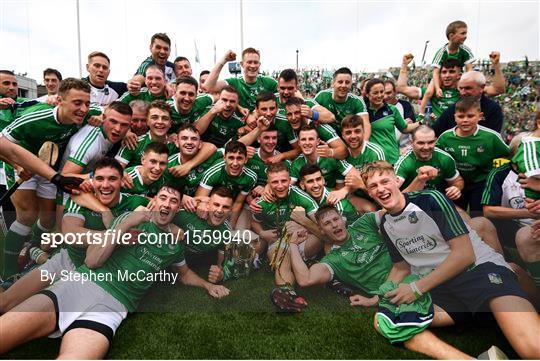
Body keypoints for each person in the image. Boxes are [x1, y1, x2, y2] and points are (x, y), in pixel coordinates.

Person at [0, 184, 229, 359]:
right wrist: (125, 225)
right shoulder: (129, 219)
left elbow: (185, 273)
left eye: (173, 201)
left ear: (177, 208)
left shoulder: (176, 242)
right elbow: (91, 261)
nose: (167, 204)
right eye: (163, 198)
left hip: (112, 306)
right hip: (80, 285)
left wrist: (209, 285)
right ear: (154, 201)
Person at [361, 160, 540, 359]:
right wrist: (378, 297)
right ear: (369, 193)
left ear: (396, 181)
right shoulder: (385, 223)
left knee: (533, 350)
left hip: (478, 271)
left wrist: (416, 288)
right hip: (441, 287)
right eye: (373, 186)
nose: (381, 189)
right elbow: (401, 268)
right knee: (385, 321)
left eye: (385, 181)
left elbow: (465, 254)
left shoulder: (430, 199)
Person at [287, 205, 485, 359]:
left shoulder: (364, 223)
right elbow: (305, 280)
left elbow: (390, 212)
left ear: (343, 219)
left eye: (336, 219)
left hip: (422, 274)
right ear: (321, 230)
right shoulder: (333, 261)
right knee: (390, 323)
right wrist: (293, 245)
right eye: (328, 224)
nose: (334, 225)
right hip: (397, 293)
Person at [0, 157, 148, 312]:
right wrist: (117, 235)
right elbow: (72, 234)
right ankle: (32, 260)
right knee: (6, 303)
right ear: (92, 181)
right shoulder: (81, 199)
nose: (105, 185)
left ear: (121, 181)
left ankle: (37, 255)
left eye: (112, 179)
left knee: (44, 310)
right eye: (99, 179)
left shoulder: (135, 202)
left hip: (100, 273)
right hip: (67, 260)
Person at [0, 78, 101, 280]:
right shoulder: (34, 118)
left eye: (87, 104)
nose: (83, 109)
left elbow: (107, 113)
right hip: (23, 168)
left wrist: (100, 117)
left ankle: (31, 249)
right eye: (77, 103)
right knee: (27, 216)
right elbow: (2, 143)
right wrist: (18, 166)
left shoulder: (86, 115)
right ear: (59, 101)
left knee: (47, 220)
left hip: (51, 171)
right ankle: (7, 274)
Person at [251, 162, 320, 287]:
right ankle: (287, 292)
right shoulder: (262, 203)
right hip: (279, 242)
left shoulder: (300, 196)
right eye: (274, 182)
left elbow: (320, 227)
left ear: (289, 180)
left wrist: (304, 225)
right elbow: (255, 222)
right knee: (281, 262)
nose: (280, 186)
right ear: (268, 182)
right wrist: (261, 232)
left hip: (302, 241)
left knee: (321, 235)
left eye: (284, 181)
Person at [436, 97, 509, 213]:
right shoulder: (445, 137)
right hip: (455, 182)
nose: (465, 120)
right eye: (461, 116)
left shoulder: (491, 137)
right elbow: (435, 156)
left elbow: (509, 155)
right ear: (455, 117)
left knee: (479, 216)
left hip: (480, 183)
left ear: (480, 116)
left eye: (470, 116)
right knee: (456, 215)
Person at [174, 186, 234, 284]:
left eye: (225, 207)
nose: (219, 210)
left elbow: (224, 263)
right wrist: (170, 226)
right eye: (216, 204)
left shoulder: (226, 232)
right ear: (208, 205)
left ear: (230, 211)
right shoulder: (188, 213)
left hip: (191, 263)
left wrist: (220, 274)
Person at [196, 141, 257, 228]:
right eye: (231, 158)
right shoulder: (214, 172)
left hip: (230, 205)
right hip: (213, 203)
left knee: (238, 230)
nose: (235, 163)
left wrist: (230, 227)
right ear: (225, 158)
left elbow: (238, 203)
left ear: (246, 159)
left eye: (239, 158)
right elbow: (199, 199)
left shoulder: (250, 177)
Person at [394, 125, 463, 200]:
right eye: (421, 143)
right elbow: (392, 190)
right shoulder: (404, 162)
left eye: (430, 142)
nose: (426, 147)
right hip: (410, 203)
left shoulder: (445, 159)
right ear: (411, 143)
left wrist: (456, 188)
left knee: (460, 212)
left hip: (437, 202)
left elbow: (457, 181)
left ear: (435, 141)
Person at [432, 71, 504, 136]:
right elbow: (435, 132)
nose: (463, 92)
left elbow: (493, 138)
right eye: (461, 88)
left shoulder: (493, 109)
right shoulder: (452, 109)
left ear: (482, 88)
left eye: (468, 88)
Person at [364, 78, 419, 165]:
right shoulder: (363, 112)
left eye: (382, 92)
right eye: (375, 93)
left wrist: (421, 122)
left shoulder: (392, 109)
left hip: (392, 159)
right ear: (367, 94)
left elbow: (405, 128)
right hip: (372, 161)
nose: (380, 95)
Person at [205, 48, 278, 112]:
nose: (253, 66)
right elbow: (209, 86)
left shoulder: (269, 82)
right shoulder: (235, 82)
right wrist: (224, 60)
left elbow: (286, 96)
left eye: (256, 62)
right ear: (242, 64)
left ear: (259, 64)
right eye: (249, 62)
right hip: (239, 126)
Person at [115, 100, 177, 168]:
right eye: (154, 117)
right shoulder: (133, 142)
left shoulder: (177, 142)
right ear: (148, 121)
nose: (160, 122)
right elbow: (115, 171)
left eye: (165, 118)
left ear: (170, 123)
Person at [314, 67, 370, 137]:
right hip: (324, 140)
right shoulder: (322, 96)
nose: (343, 85)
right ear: (333, 83)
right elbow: (310, 118)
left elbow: (366, 125)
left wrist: (363, 146)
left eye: (347, 82)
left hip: (349, 141)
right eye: (340, 82)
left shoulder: (357, 101)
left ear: (351, 84)